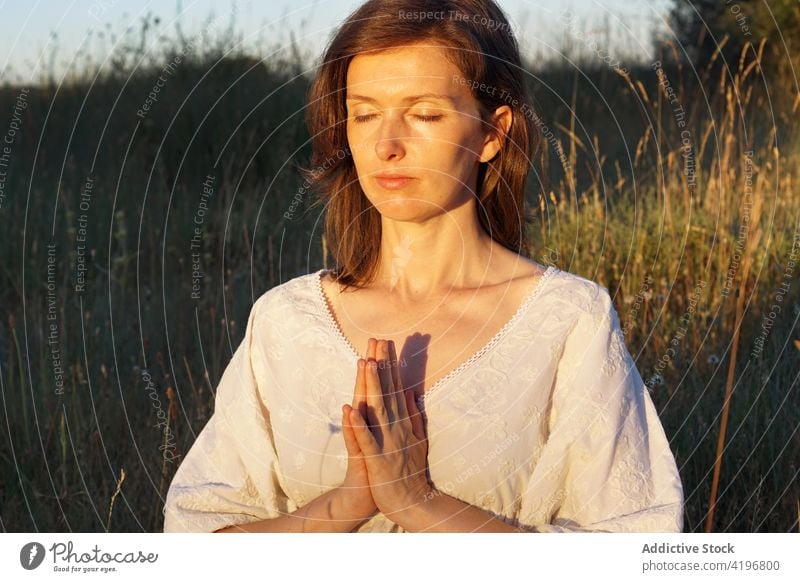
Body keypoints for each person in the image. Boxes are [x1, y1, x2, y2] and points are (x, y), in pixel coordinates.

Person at [163, 0, 684, 533]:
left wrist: (417, 502)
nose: (386, 145)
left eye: (425, 114)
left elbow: (631, 544)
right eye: (364, 114)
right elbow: (194, 539)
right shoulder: (285, 321)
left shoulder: (570, 320)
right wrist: (344, 505)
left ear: (492, 132)